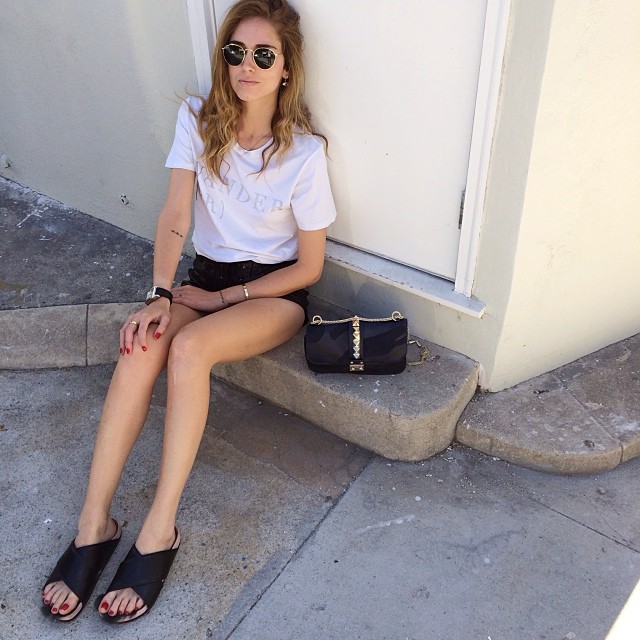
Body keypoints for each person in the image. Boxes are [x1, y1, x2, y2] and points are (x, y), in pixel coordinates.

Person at [41, 0, 336, 624]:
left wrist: (222, 300)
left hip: (271, 295)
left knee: (190, 348)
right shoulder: (199, 120)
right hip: (204, 277)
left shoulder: (305, 153)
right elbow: (177, 214)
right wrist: (160, 292)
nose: (247, 66)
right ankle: (94, 523)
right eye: (236, 52)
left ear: (286, 68)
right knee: (142, 342)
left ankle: (159, 528)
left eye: (264, 56)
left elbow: (309, 267)